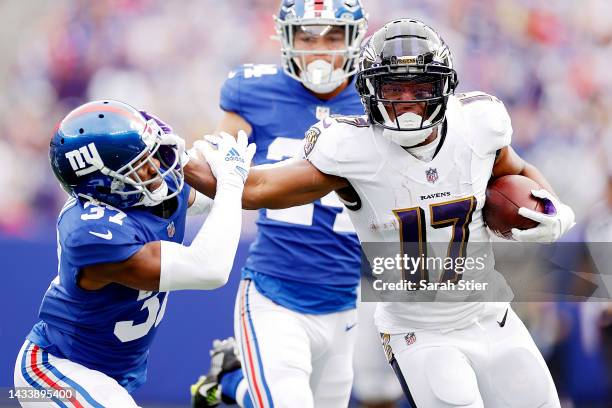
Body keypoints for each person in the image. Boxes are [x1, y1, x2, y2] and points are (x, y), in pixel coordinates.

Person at [186, 19, 576, 407]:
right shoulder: (351, 146)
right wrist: (177, 161)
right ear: (370, 91)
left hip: (493, 312)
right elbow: (258, 188)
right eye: (394, 89)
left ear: (444, 87)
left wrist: (554, 207)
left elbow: (518, 172)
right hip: (420, 331)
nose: (407, 102)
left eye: (421, 88)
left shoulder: (479, 123)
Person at [191, 1, 376, 408]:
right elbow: (218, 156)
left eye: (332, 36)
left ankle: (230, 382)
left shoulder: (380, 99)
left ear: (355, 39)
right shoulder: (253, 90)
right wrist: (193, 182)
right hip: (275, 293)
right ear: (288, 39)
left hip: (346, 300)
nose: (319, 49)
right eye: (307, 37)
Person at [13, 100, 254, 407]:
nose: (156, 168)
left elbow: (224, 204)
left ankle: (227, 382)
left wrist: (227, 167)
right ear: (104, 184)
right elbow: (210, 269)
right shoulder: (89, 233)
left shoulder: (149, 190)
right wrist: (231, 183)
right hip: (55, 369)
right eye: (141, 164)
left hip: (109, 376)